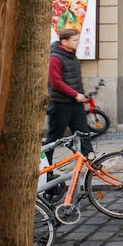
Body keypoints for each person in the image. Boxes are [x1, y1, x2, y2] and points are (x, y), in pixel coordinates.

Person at [46, 28, 92, 163]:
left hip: (75, 104)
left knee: (84, 135)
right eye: (74, 40)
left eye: (78, 40)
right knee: (54, 139)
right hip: (60, 104)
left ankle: (93, 164)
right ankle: (45, 167)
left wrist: (79, 95)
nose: (78, 42)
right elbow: (55, 82)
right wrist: (75, 94)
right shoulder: (55, 58)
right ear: (64, 41)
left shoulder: (71, 55)